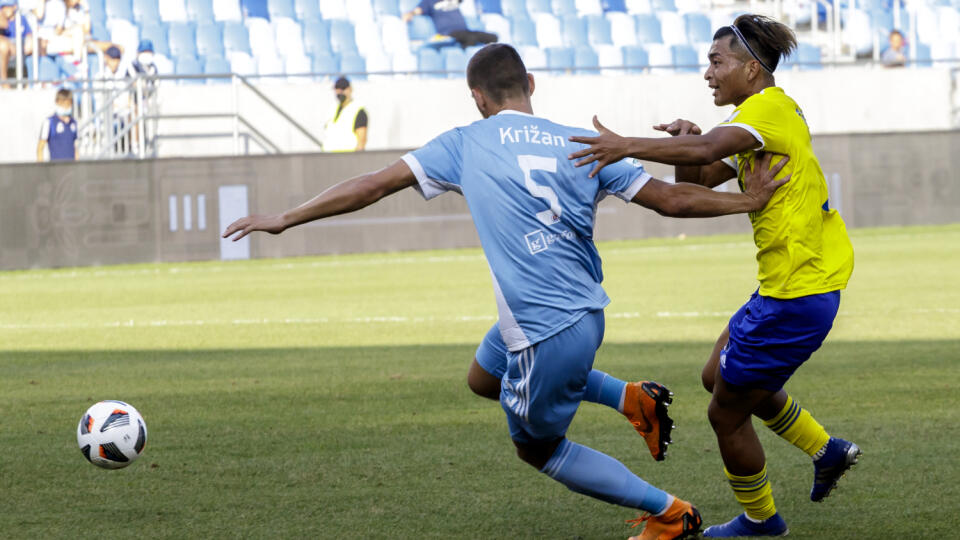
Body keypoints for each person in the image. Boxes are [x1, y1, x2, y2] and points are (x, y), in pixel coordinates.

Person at [224, 43, 789, 540]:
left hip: (544, 329)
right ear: (531, 87)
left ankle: (668, 513)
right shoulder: (584, 142)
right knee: (483, 378)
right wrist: (747, 201)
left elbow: (371, 185)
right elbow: (673, 201)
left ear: (477, 98)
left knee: (536, 446)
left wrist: (285, 217)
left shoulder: (465, 143)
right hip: (582, 314)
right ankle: (630, 397)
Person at [567, 14, 859, 538]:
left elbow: (704, 154)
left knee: (725, 414)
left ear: (751, 68)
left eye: (716, 61)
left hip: (797, 291)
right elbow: (700, 173)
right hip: (787, 287)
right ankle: (826, 449)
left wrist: (625, 144)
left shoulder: (766, 109)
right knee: (715, 377)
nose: (708, 73)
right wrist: (690, 138)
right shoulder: (759, 118)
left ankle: (761, 522)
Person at [403, 0, 497, 48]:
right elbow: (416, 11)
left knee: (493, 37)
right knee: (471, 38)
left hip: (465, 31)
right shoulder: (429, 1)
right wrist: (410, 14)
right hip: (448, 33)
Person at [322, 76, 368, 153]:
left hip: (347, 158)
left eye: (343, 88)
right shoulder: (332, 109)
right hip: (329, 157)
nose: (340, 91)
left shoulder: (358, 110)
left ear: (350, 89)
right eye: (337, 88)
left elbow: (361, 140)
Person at [37, 87, 77, 161]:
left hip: (71, 168)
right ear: (57, 103)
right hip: (56, 167)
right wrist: (40, 169)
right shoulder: (50, 122)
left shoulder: (73, 123)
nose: (65, 107)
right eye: (63, 104)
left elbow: (75, 147)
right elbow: (40, 148)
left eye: (68, 105)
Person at [0, 0, 34, 86]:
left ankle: (31, 83)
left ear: (14, 7)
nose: (5, 9)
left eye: (7, 7)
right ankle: (4, 82)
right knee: (3, 46)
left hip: (20, 46)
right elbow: (4, 26)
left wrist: (29, 40)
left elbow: (29, 34)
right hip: (6, 49)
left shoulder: (21, 19)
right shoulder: (2, 19)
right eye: (3, 7)